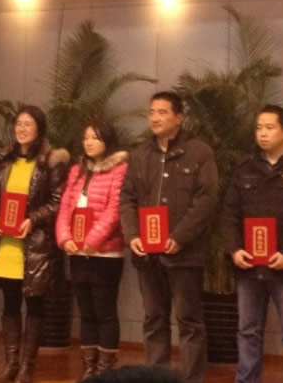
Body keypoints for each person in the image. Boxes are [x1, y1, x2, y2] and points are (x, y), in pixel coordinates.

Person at [119, 91, 218, 383]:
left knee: (189, 322)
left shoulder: (199, 152)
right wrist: (132, 235)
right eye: (152, 112)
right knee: (154, 319)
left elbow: (207, 199)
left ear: (179, 117)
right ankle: (156, 377)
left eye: (162, 112)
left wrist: (180, 236)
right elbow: (127, 198)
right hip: (147, 255)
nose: (155, 118)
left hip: (184, 254)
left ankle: (191, 379)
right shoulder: (140, 155)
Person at [222, 104, 283, 383]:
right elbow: (229, 213)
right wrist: (234, 249)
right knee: (247, 330)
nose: (262, 134)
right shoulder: (244, 168)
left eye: (269, 128)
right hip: (248, 265)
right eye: (259, 128)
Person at [0, 105, 69, 383]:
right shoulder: (6, 160)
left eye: (28, 124)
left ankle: (27, 368)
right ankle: (11, 364)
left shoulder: (50, 161)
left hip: (36, 244)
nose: (21, 129)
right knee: (10, 304)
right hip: (7, 243)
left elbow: (57, 203)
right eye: (18, 124)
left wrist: (32, 220)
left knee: (34, 305)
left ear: (39, 129)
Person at [56, 121, 128, 381]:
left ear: (107, 141)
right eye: (86, 137)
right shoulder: (77, 170)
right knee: (85, 312)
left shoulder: (120, 170)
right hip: (78, 252)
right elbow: (65, 207)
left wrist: (93, 239)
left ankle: (104, 371)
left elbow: (115, 210)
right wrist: (65, 238)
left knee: (104, 312)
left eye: (95, 138)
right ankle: (89, 369)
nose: (88, 142)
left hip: (105, 253)